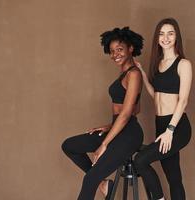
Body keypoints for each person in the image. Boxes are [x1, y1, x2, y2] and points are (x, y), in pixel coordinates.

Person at [61, 27, 144, 200]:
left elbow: (128, 113)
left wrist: (104, 144)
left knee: (90, 179)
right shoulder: (124, 74)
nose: (115, 54)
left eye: (119, 49)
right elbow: (137, 108)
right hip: (119, 129)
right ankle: (104, 184)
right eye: (112, 51)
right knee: (69, 146)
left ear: (131, 48)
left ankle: (98, 182)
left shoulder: (134, 74)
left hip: (129, 135)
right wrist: (110, 126)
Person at [134, 18, 192, 200]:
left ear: (177, 37)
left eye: (170, 33)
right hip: (161, 123)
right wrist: (143, 74)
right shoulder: (158, 63)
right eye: (161, 33)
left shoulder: (184, 64)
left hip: (177, 127)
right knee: (174, 177)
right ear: (157, 38)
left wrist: (170, 131)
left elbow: (182, 101)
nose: (165, 38)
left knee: (140, 160)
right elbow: (156, 95)